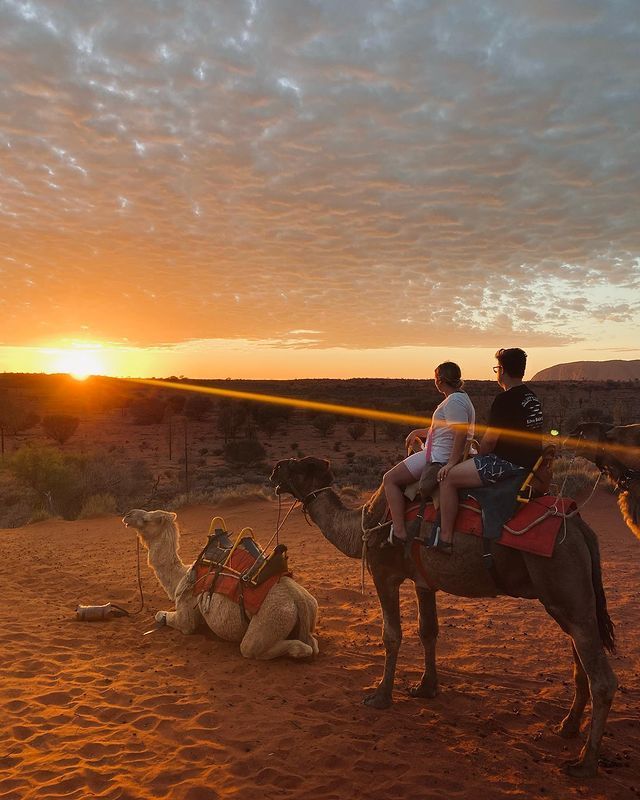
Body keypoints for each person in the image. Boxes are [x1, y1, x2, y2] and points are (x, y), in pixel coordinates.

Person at [434, 347, 543, 553]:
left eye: (497, 368)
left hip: (507, 463)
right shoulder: (532, 397)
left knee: (447, 479)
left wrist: (478, 456)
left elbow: (490, 441)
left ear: (501, 370)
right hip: (530, 462)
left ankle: (445, 538)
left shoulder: (505, 399)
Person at [382, 362, 476, 543]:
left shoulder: (454, 401)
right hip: (437, 452)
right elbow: (444, 428)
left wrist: (451, 463)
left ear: (439, 380)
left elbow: (460, 432)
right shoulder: (459, 398)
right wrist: (419, 432)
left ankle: (399, 532)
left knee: (390, 479)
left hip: (437, 457)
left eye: (435, 378)